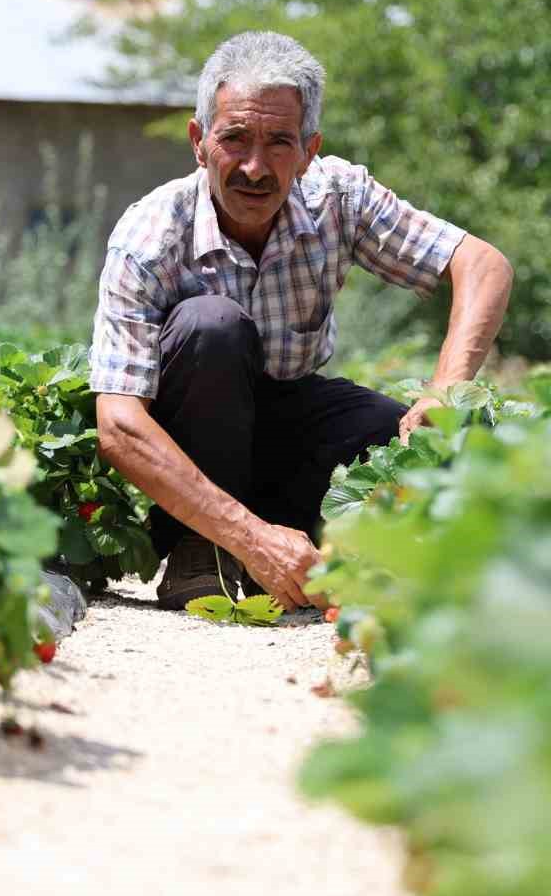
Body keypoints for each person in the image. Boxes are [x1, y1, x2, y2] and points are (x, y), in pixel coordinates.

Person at [89, 31, 513, 611]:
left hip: (289, 421)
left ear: (310, 149)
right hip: (190, 449)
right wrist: (246, 535)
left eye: (279, 143)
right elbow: (118, 426)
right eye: (234, 139)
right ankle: (202, 549)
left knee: (397, 436)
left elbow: (482, 264)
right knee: (210, 326)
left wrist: (444, 391)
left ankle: (329, 550)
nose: (255, 167)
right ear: (198, 141)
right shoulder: (150, 237)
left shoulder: (339, 196)